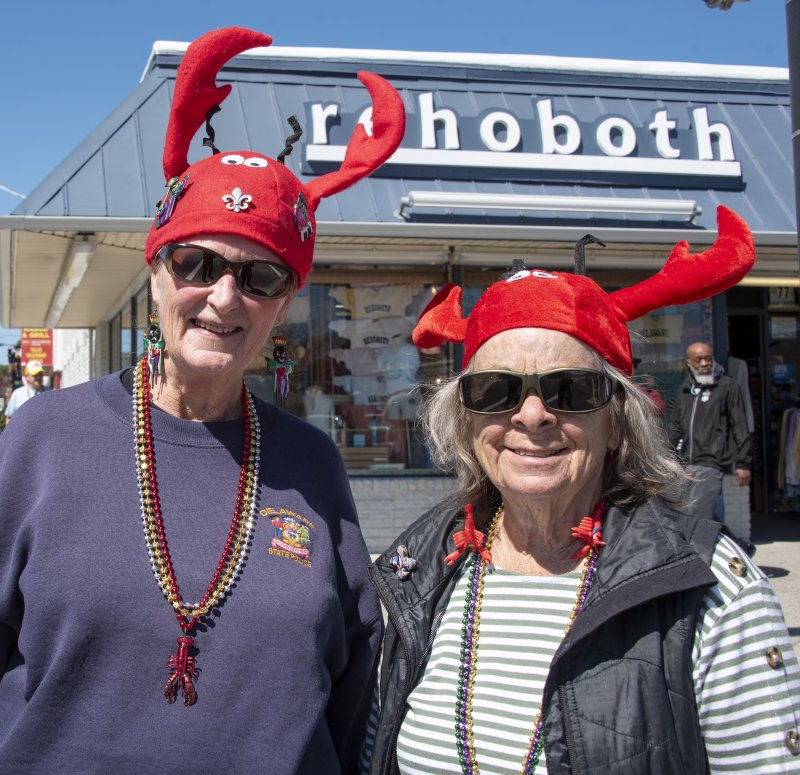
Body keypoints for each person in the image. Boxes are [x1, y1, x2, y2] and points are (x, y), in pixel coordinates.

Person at [0, 27, 404, 774]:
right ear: (156, 271)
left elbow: (353, 680)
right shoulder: (41, 438)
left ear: (283, 305)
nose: (225, 296)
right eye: (198, 263)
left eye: (262, 277)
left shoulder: (311, 462)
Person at [362, 207, 800, 774]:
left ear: (618, 419)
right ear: (466, 421)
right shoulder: (417, 569)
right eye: (496, 390)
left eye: (571, 389)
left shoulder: (711, 587)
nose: (532, 416)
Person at [668, 342, 752, 522]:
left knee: (705, 517)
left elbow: (740, 425)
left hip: (713, 462)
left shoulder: (727, 386)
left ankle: (714, 546)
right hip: (687, 464)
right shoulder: (685, 389)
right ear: (688, 362)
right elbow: (675, 426)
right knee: (692, 515)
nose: (705, 363)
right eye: (699, 360)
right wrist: (666, 457)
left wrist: (743, 463)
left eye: (708, 358)